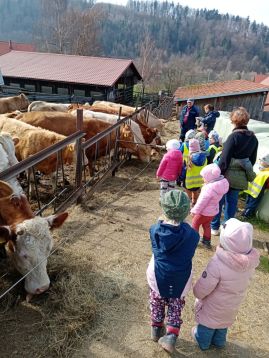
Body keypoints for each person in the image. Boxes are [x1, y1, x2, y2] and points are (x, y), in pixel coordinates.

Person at [192, 218, 260, 351]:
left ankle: (203, 342)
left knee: (208, 324)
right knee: (223, 324)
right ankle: (219, 341)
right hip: (232, 305)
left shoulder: (217, 263)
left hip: (213, 306)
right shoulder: (249, 264)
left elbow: (204, 287)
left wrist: (197, 293)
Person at [147, 190, 200, 353]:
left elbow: (158, 228)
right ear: (186, 211)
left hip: (158, 276)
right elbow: (186, 233)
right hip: (181, 279)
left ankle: (156, 331)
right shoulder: (193, 235)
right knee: (175, 306)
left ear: (164, 209)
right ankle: (171, 336)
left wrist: (161, 220)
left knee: (157, 302)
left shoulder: (155, 229)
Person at [211, 107, 258, 235]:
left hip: (226, 175)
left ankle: (215, 227)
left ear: (233, 121)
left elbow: (224, 159)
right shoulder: (254, 138)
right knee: (231, 204)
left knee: (218, 201)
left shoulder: (233, 137)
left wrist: (218, 174)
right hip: (239, 177)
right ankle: (227, 229)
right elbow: (252, 160)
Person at [191, 164, 229, 249]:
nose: (202, 178)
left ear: (210, 177)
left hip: (203, 212)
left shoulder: (209, 188)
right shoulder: (220, 185)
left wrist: (194, 211)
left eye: (204, 177)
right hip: (212, 212)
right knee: (207, 225)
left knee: (195, 224)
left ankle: (193, 241)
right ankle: (206, 241)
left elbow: (202, 202)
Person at [242, 153, 269, 218]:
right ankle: (245, 215)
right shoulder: (267, 173)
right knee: (253, 204)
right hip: (258, 191)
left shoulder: (259, 169)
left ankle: (246, 211)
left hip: (250, 189)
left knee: (248, 202)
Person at [184, 138, 207, 206]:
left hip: (189, 181)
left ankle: (189, 201)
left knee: (188, 191)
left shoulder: (188, 158)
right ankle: (194, 202)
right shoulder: (204, 158)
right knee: (196, 191)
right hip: (199, 181)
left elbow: (184, 170)